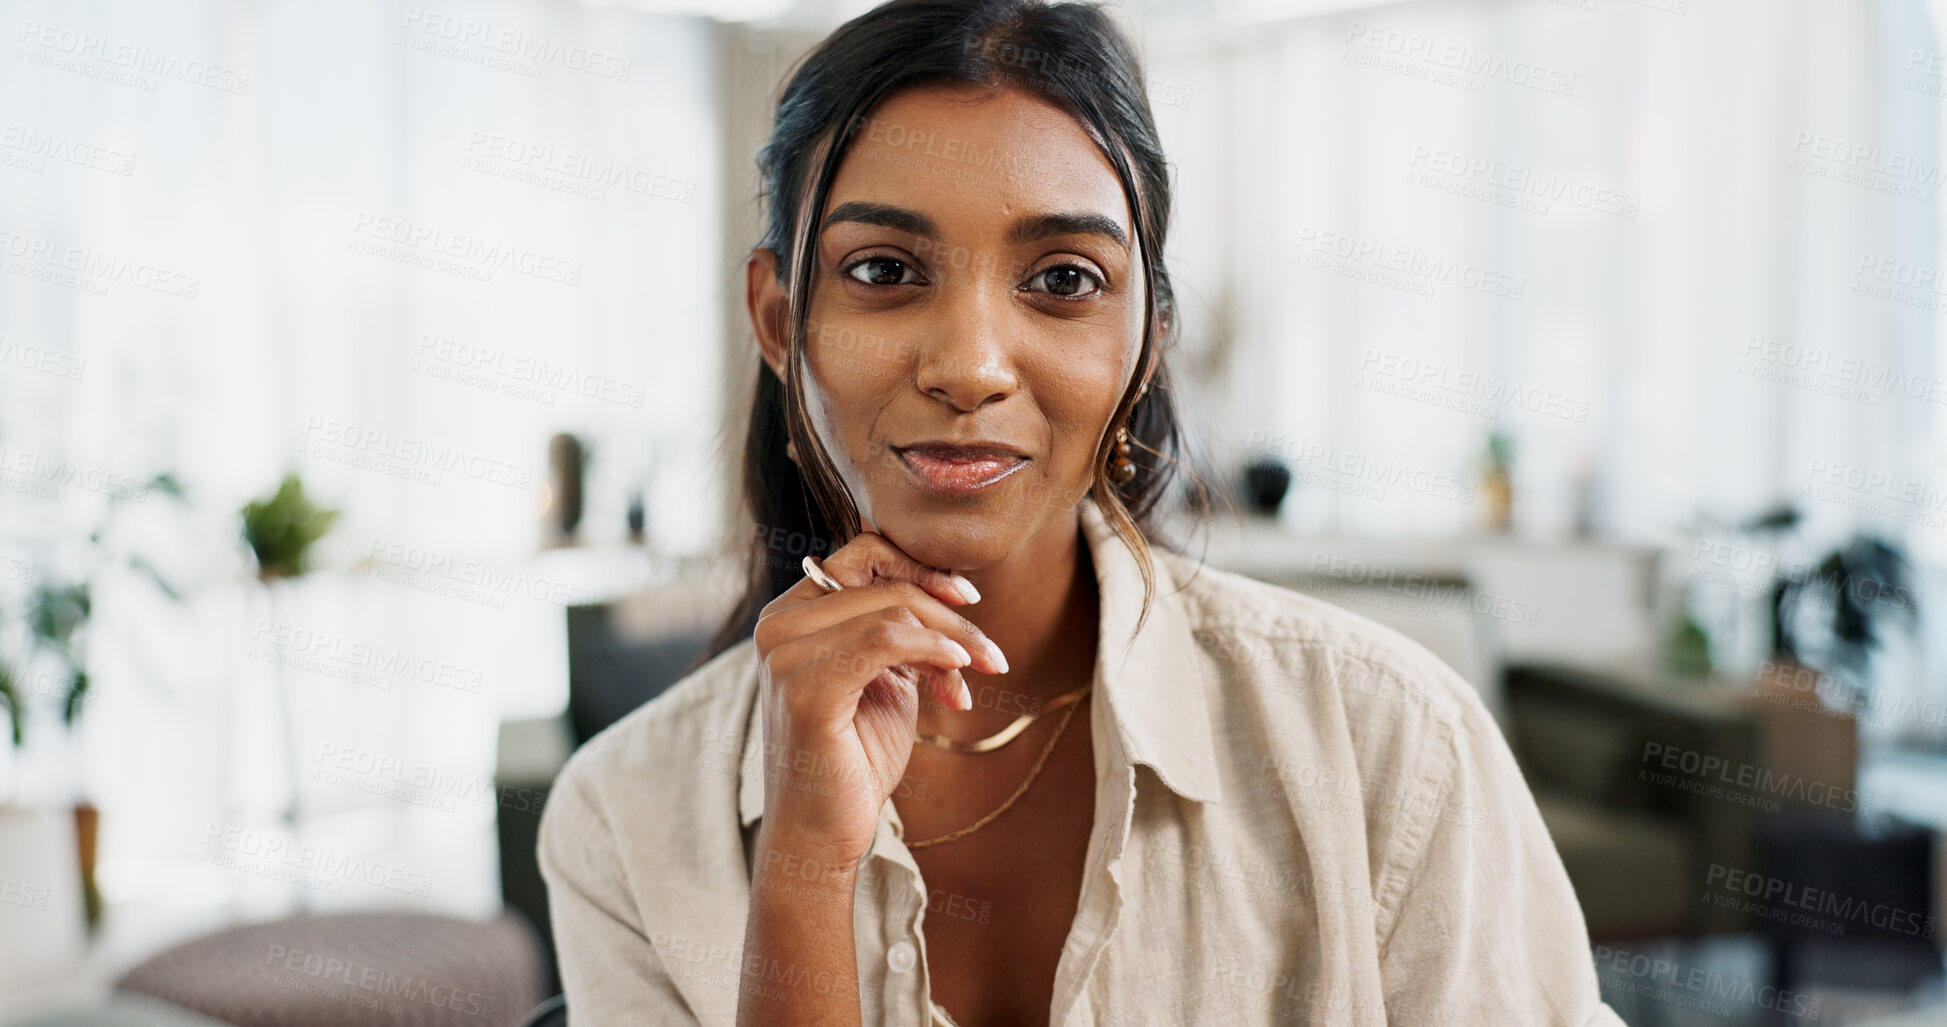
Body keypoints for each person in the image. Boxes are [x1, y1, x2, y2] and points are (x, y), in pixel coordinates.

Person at [538, 1, 1630, 1024]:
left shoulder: (1389, 745)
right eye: (882, 268)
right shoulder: (626, 814)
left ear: (1147, 334)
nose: (969, 367)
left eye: (1062, 280)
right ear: (781, 323)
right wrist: (805, 867)